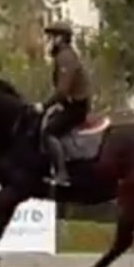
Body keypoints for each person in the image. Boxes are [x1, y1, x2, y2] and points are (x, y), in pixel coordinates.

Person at [34, 20, 91, 186]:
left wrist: (43, 106)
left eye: (51, 37)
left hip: (76, 107)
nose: (48, 41)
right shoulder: (64, 56)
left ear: (60, 38)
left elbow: (62, 90)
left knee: (49, 132)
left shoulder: (66, 57)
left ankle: (62, 174)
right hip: (69, 104)